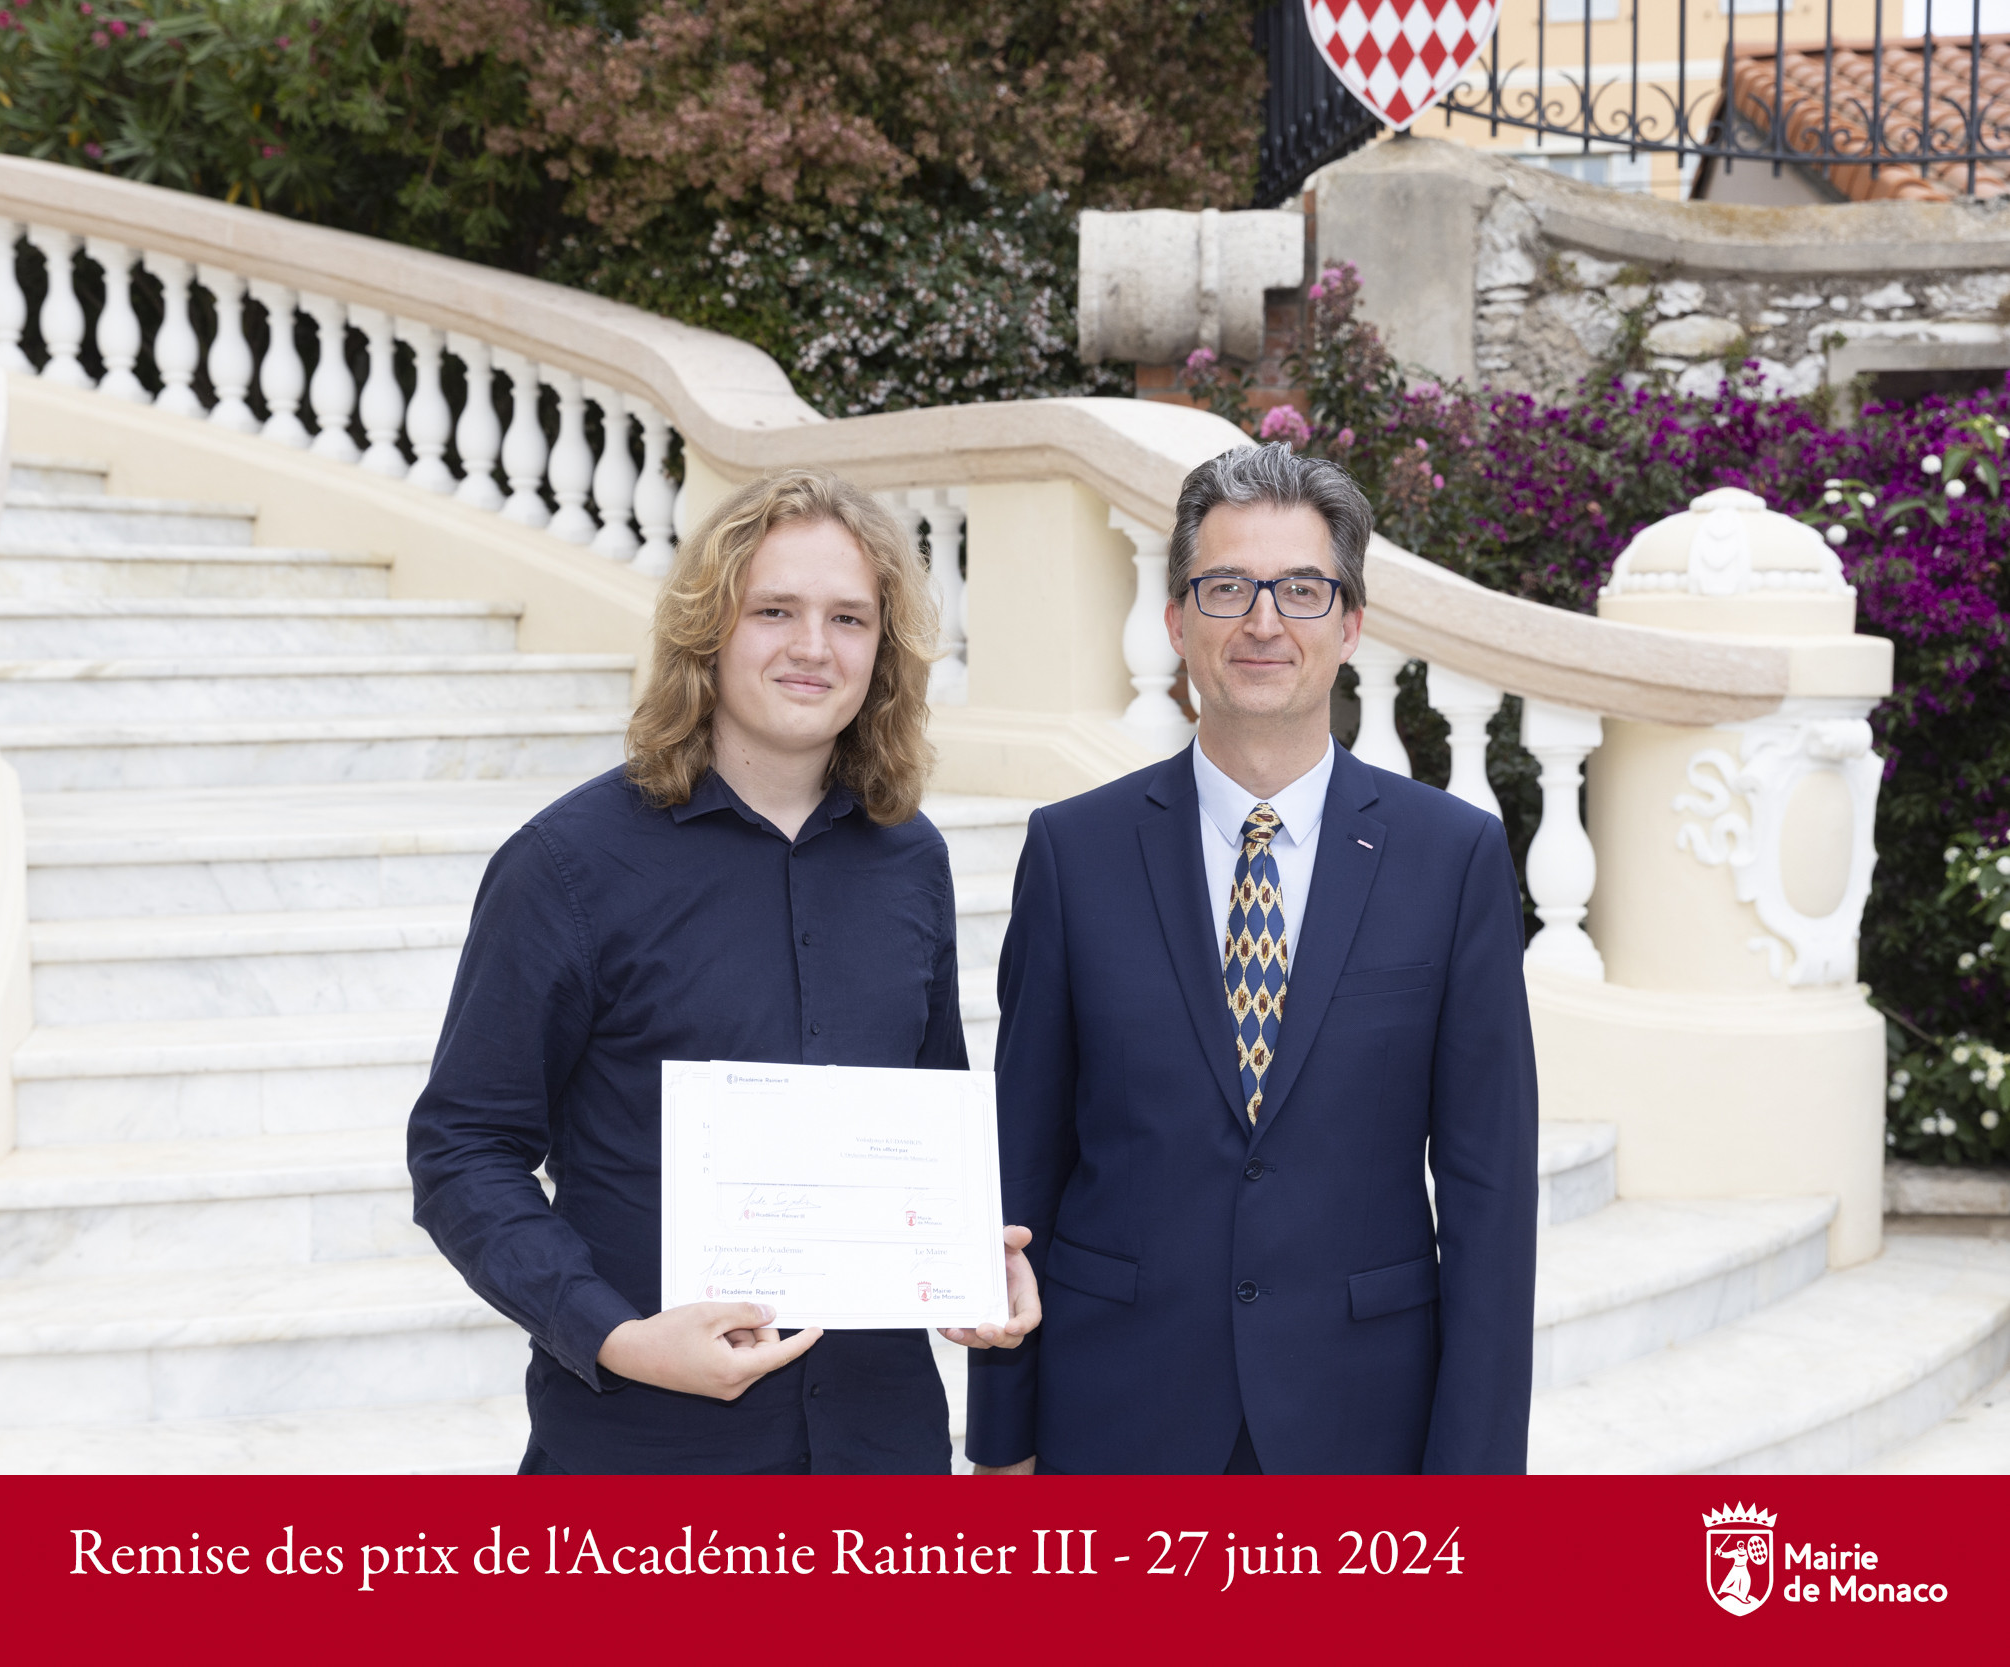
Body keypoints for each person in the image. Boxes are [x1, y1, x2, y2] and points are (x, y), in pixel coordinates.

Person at [410, 468, 1040, 1475]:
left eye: (848, 618)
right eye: (774, 610)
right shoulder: (567, 865)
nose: (813, 646)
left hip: (880, 1448)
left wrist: (970, 1259)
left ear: (882, 651)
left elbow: (925, 1119)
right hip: (646, 1455)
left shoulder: (909, 859)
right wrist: (615, 1335)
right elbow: (462, 1148)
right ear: (709, 629)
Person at [965, 441, 1536, 1476]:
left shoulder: (1452, 858)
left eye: (1302, 589)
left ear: (1350, 625)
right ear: (1176, 621)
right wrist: (1002, 1443)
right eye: (1227, 587)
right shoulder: (1072, 851)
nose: (1263, 622)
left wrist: (1478, 1479)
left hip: (1361, 1424)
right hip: (1117, 1418)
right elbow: (1021, 1168)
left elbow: (1489, 1194)